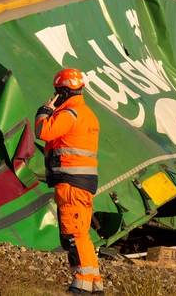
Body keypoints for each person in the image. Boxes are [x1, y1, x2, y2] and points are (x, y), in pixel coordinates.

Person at [35, 68, 103, 295]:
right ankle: (94, 283)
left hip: (71, 182)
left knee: (73, 235)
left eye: (57, 91)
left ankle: (81, 285)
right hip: (84, 182)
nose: (55, 95)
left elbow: (43, 131)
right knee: (82, 234)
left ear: (64, 91)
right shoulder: (88, 114)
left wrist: (44, 111)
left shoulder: (70, 114)